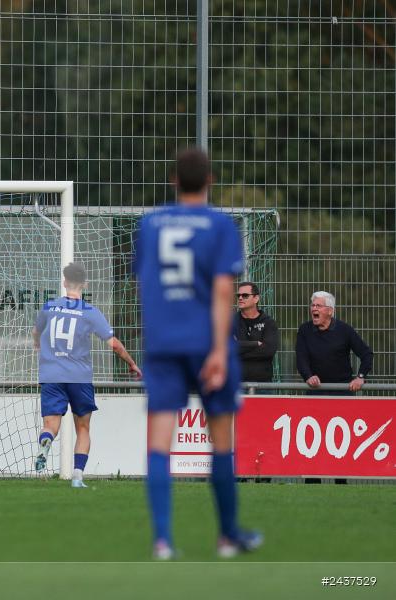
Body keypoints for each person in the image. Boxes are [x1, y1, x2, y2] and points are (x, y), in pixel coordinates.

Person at [134, 147, 262, 560]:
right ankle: (227, 537)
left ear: (173, 181)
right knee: (220, 440)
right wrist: (220, 352)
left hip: (164, 345)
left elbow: (142, 286)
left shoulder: (150, 224)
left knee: (158, 443)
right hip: (209, 343)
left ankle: (162, 541)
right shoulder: (220, 225)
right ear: (210, 182)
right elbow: (224, 289)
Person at [32, 262, 141, 487]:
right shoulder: (90, 312)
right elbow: (114, 345)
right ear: (84, 284)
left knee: (51, 425)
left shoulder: (49, 307)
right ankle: (77, 477)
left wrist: (37, 345)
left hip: (52, 375)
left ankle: (45, 441)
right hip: (79, 377)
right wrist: (132, 363)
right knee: (83, 428)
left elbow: (36, 332)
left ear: (64, 282)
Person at [296, 291, 372, 396]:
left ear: (330, 311)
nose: (314, 308)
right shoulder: (304, 330)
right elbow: (301, 357)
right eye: (312, 305)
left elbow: (366, 354)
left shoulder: (345, 330)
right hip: (315, 390)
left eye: (318, 305)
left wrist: (360, 377)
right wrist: (308, 376)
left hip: (342, 390)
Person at [234, 282, 279, 385]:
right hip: (236, 383)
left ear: (256, 298)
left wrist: (240, 348)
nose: (240, 298)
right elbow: (228, 348)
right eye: (238, 295)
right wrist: (255, 344)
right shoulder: (231, 322)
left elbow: (268, 351)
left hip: (263, 384)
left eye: (245, 295)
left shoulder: (268, 322)